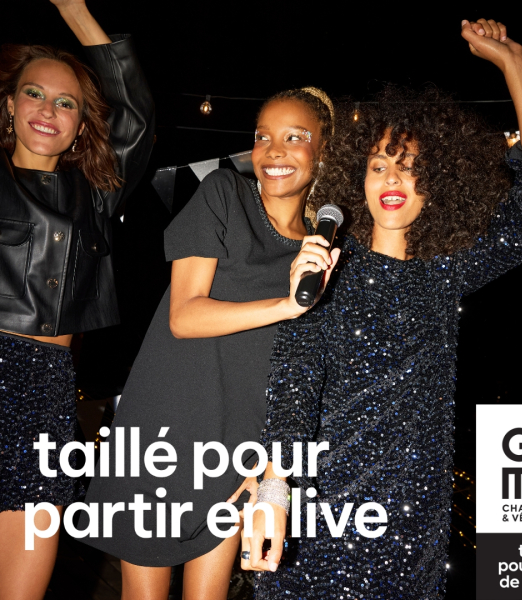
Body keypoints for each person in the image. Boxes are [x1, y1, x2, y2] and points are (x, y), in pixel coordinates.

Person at [246, 19, 522, 600]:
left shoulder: (446, 271)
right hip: (321, 515)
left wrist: (515, 67)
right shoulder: (327, 264)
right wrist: (275, 489)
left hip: (408, 528)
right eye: (379, 164)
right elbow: (296, 380)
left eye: (411, 166)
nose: (393, 177)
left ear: (437, 185)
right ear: (358, 179)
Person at [79, 87, 340, 600]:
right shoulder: (224, 193)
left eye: (295, 137)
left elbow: (300, 372)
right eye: (263, 137)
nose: (274, 150)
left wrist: (268, 469)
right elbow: (184, 315)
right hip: (165, 429)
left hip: (236, 451)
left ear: (324, 151)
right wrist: (288, 304)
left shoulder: (323, 250)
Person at [0, 1, 154, 598]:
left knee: (24, 582)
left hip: (47, 387)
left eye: (66, 103)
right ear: (9, 105)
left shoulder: (96, 191)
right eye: (34, 94)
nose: (48, 110)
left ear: (83, 123)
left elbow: (135, 113)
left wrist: (75, 10)